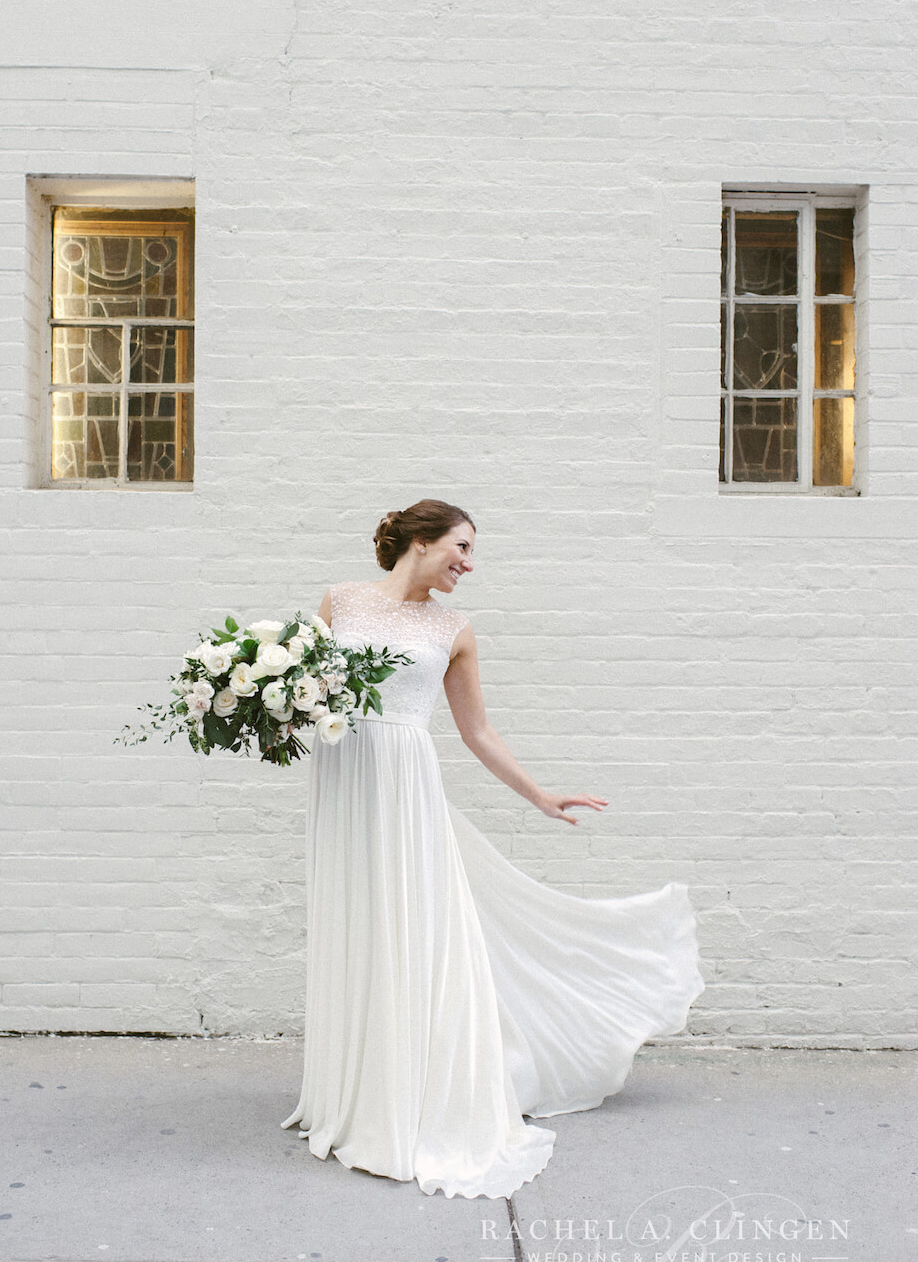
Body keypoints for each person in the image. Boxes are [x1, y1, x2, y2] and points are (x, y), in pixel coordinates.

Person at [281, 499, 704, 1200]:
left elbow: (478, 732)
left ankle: (410, 1100)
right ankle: (351, 1095)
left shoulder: (454, 630)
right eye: (462, 547)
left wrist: (539, 794)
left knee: (412, 936)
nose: (469, 565)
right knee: (355, 928)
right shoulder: (340, 599)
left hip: (404, 787)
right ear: (421, 540)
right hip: (343, 780)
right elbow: (297, 688)